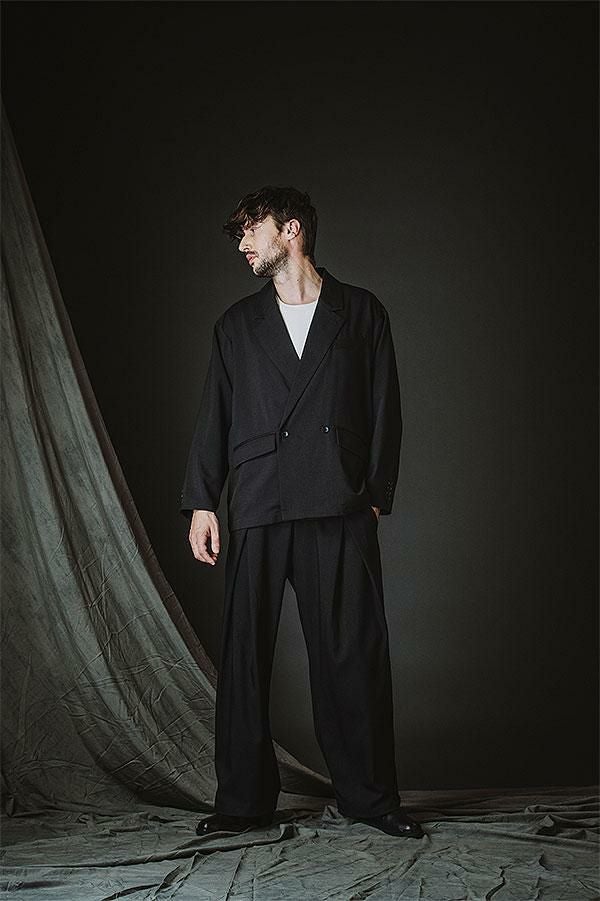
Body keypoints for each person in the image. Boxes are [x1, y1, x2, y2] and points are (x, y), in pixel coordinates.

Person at [180, 186, 423, 838]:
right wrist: (202, 500)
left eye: (250, 229)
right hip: (258, 499)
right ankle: (242, 802)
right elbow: (214, 414)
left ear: (290, 230)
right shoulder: (236, 325)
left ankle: (371, 798)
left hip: (336, 501)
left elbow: (386, 406)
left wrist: (376, 493)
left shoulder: (361, 312)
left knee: (353, 654)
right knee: (244, 656)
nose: (242, 243)